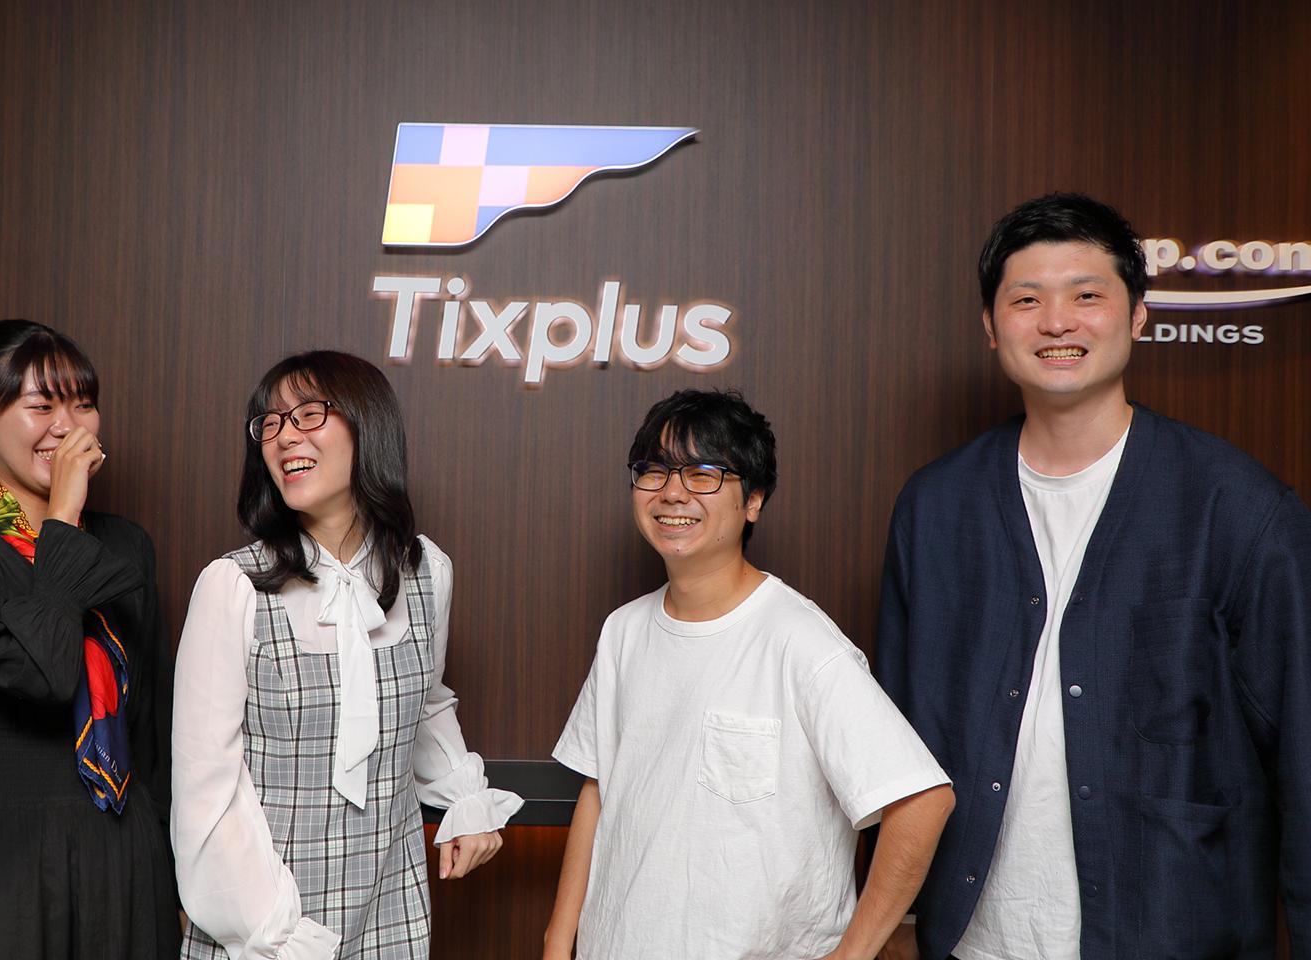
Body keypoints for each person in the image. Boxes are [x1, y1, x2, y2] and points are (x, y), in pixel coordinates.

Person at [875, 192, 1311, 960]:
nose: (1057, 323)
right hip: (976, 939)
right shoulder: (936, 507)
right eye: (1026, 300)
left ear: (1138, 316)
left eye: (1086, 296)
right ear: (990, 326)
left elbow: (1303, 757)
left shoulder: (1239, 507)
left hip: (1175, 934)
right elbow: (898, 742)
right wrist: (897, 918)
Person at [544, 389, 954, 960]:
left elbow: (924, 801)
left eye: (703, 474)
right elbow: (598, 789)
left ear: (754, 499)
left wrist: (851, 955)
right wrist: (558, 939)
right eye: (655, 471)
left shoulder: (799, 640)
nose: (672, 493)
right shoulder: (623, 631)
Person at [171, 350, 521, 960]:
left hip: (391, 902)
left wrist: (465, 800)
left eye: (308, 414)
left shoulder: (427, 571)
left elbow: (423, 704)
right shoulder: (233, 586)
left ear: (368, 425)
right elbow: (205, 785)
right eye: (270, 423)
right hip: (267, 916)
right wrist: (272, 928)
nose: (285, 437)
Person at [0, 319, 179, 958]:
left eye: (83, 404)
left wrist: (170, 876)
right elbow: (43, 672)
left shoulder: (126, 545)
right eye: (41, 407)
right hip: (2, 856)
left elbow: (151, 729)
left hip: (126, 858)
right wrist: (63, 518)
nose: (68, 427)